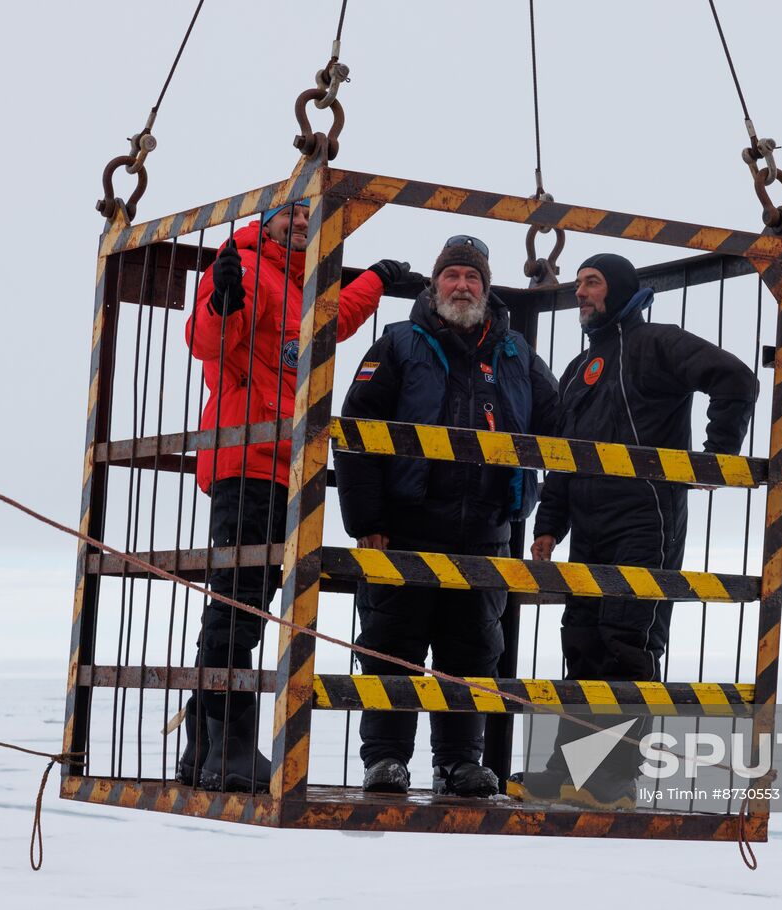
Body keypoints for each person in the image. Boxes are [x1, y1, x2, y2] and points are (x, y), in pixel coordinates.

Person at [177, 199, 415, 792]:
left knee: (243, 604)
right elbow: (209, 338)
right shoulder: (248, 267)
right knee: (240, 606)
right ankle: (223, 748)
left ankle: (207, 751)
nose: (302, 223)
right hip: (249, 464)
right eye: (292, 214)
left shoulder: (300, 282)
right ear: (268, 221)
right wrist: (221, 301)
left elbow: (333, 319)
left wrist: (374, 280)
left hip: (284, 470)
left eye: (311, 216)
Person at [510, 252, 759, 808]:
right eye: (576, 285)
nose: (579, 293)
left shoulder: (658, 344)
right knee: (581, 646)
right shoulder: (580, 369)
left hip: (645, 519)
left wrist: (716, 457)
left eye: (591, 283)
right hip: (587, 528)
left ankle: (613, 780)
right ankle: (568, 772)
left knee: (627, 646)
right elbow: (565, 458)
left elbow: (736, 378)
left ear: (620, 289)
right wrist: (549, 525)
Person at [334, 235, 559, 797]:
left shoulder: (518, 355)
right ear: (434, 286)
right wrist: (366, 520)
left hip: (486, 533)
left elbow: (563, 424)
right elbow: (355, 429)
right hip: (405, 527)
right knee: (392, 644)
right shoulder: (398, 344)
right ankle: (385, 759)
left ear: (486, 289)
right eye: (452, 275)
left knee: (473, 652)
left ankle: (460, 762)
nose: (462, 285)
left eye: (472, 277)